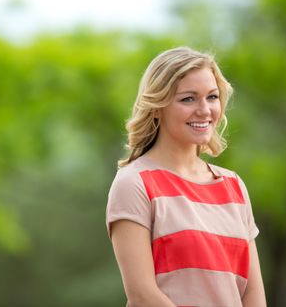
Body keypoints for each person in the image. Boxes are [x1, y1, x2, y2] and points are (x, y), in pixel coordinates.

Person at [106, 47, 266, 307]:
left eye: (212, 97)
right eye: (188, 99)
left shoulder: (233, 186)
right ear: (156, 107)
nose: (204, 110)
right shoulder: (134, 183)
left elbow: (252, 294)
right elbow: (142, 295)